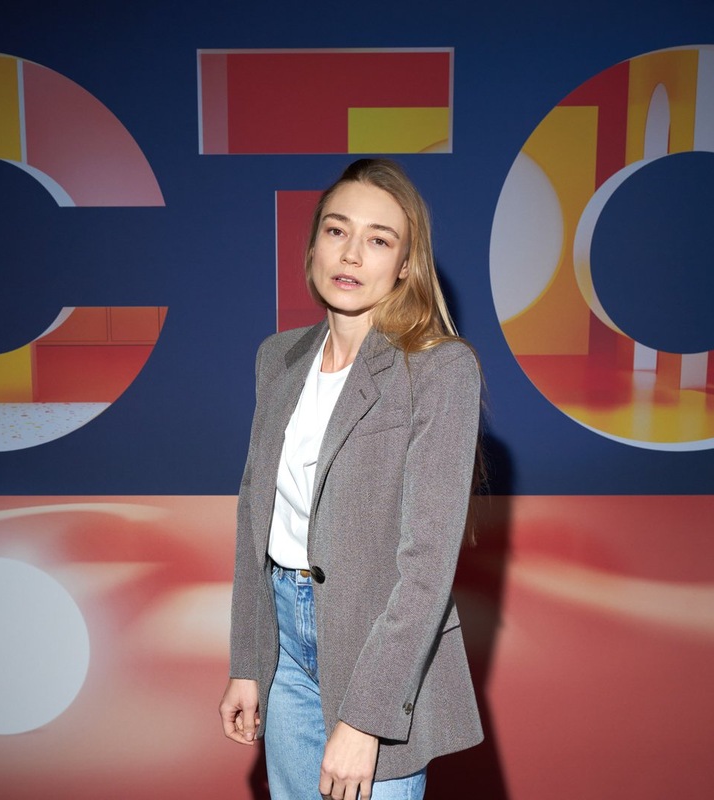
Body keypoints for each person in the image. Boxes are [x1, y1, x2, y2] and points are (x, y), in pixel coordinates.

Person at [219, 158, 483, 799]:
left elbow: (427, 569)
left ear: (406, 265)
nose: (352, 254)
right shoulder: (277, 358)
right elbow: (256, 518)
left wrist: (366, 718)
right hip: (284, 647)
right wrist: (248, 661)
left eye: (379, 239)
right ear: (313, 244)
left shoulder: (440, 370)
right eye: (337, 231)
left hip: (379, 653)